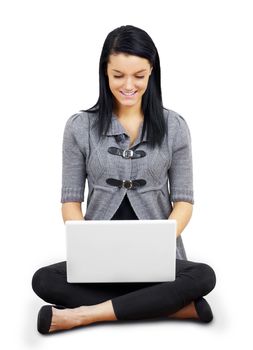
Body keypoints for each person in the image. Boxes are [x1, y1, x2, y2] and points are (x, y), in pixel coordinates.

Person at [31, 25, 216, 334]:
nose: (128, 85)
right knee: (43, 280)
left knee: (203, 276)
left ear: (152, 72)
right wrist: (86, 246)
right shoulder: (79, 127)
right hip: (99, 261)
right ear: (104, 71)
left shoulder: (175, 127)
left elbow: (184, 201)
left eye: (139, 76)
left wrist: (157, 244)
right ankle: (169, 307)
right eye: (118, 76)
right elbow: (70, 201)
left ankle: (84, 315)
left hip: (158, 260)